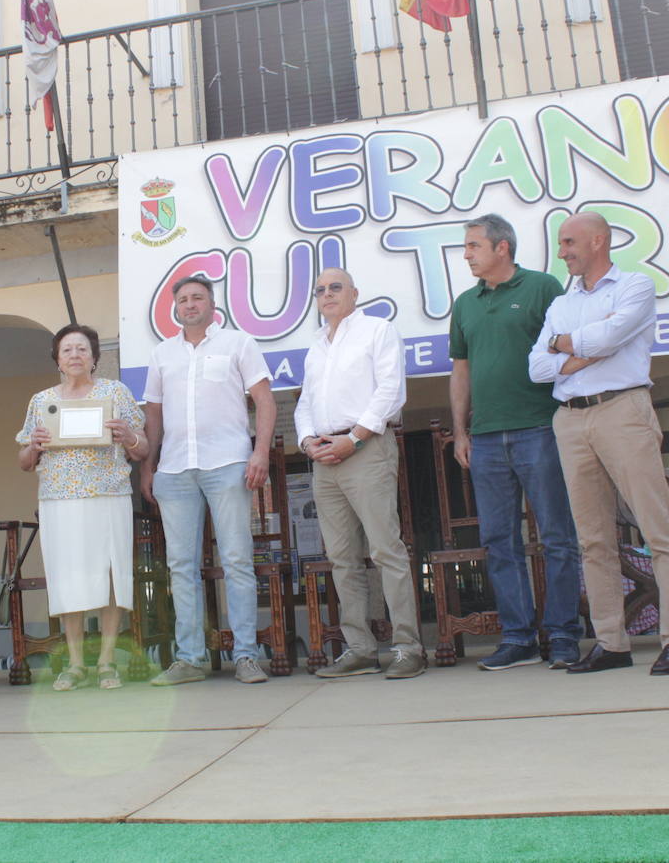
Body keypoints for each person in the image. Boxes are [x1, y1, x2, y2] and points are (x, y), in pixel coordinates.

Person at [529, 212, 669, 675]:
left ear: (598, 241)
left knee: (658, 531)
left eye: (569, 242)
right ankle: (611, 644)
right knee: (593, 540)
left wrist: (565, 346)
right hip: (569, 418)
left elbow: (611, 337)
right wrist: (580, 349)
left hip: (623, 410)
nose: (562, 252)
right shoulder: (562, 303)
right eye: (561, 243)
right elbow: (536, 368)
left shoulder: (634, 286)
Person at [450, 214, 584, 672]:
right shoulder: (465, 304)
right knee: (498, 541)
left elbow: (565, 350)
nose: (466, 254)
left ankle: (563, 635)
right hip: (485, 438)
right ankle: (518, 638)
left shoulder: (543, 287)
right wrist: (461, 431)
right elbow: (461, 371)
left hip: (540, 428)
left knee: (557, 536)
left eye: (473, 246)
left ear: (501, 247)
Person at [141, 275, 276, 686]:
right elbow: (153, 415)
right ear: (175, 308)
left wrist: (260, 452)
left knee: (236, 560)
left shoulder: (238, 343)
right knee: (181, 566)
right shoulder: (162, 354)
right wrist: (148, 466)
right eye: (183, 299)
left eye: (197, 297)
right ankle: (190, 659)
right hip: (175, 469)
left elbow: (265, 401)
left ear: (212, 304)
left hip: (228, 463)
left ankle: (246, 655)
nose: (190, 304)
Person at [295, 268, 425, 680]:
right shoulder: (316, 345)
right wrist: (306, 441)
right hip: (324, 457)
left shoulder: (376, 330)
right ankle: (361, 650)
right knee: (341, 559)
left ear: (354, 293)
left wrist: (353, 438)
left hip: (365, 448)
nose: (327, 294)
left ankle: (408, 647)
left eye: (335, 287)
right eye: (320, 290)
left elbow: (390, 391)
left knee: (386, 550)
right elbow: (305, 403)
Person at [16, 324, 148, 691]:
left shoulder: (115, 393)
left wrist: (129, 436)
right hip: (60, 500)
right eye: (67, 350)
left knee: (110, 573)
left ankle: (107, 661)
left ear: (94, 358)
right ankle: (75, 663)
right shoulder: (41, 401)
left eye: (82, 349)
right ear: (57, 360)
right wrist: (34, 446)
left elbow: (142, 448)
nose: (75, 355)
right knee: (68, 577)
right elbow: (24, 461)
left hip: (108, 496)